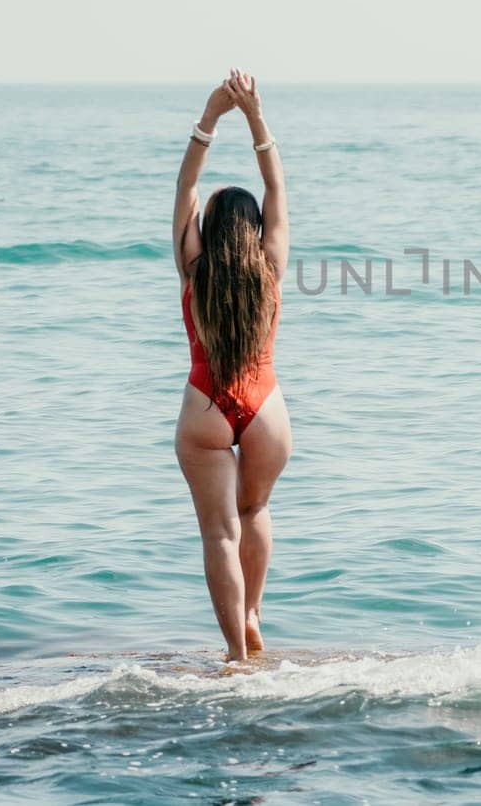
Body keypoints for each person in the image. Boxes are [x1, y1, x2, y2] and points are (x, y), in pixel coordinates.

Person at [172, 68, 291, 661]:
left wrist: (210, 116)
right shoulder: (270, 265)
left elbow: (184, 192)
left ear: (210, 231)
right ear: (255, 230)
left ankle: (236, 659)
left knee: (221, 531)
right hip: (266, 405)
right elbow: (277, 189)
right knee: (256, 509)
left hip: (206, 405)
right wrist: (255, 117)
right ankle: (252, 616)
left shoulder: (195, 268)